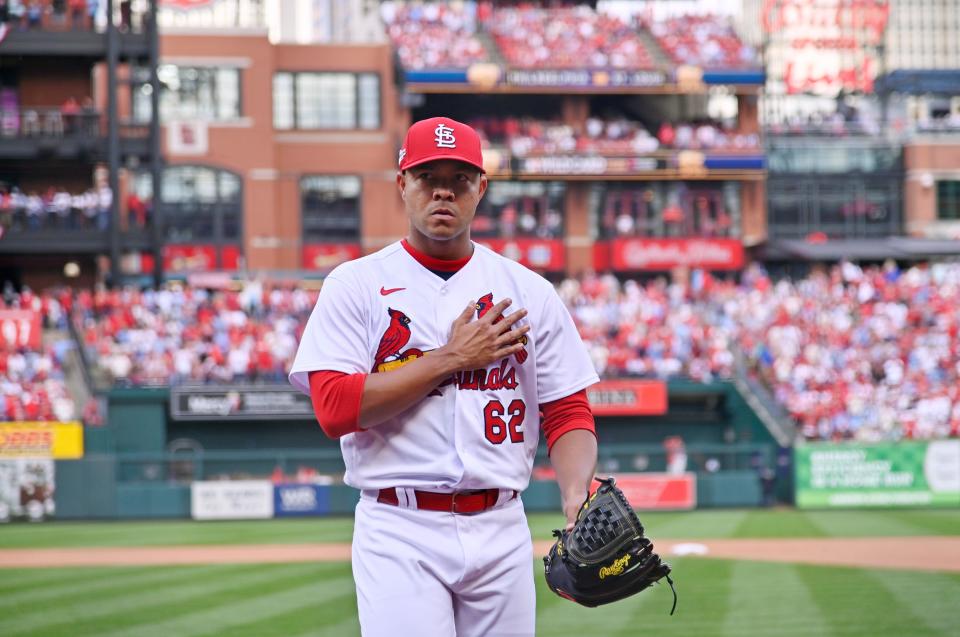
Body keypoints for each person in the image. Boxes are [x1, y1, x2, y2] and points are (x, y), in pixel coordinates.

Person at [289, 117, 599, 637]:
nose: (442, 190)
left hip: (501, 522)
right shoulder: (356, 284)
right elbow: (335, 409)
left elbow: (567, 409)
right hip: (399, 525)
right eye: (428, 175)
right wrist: (451, 358)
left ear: (481, 188)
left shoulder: (529, 291)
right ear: (402, 184)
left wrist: (575, 492)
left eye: (459, 178)